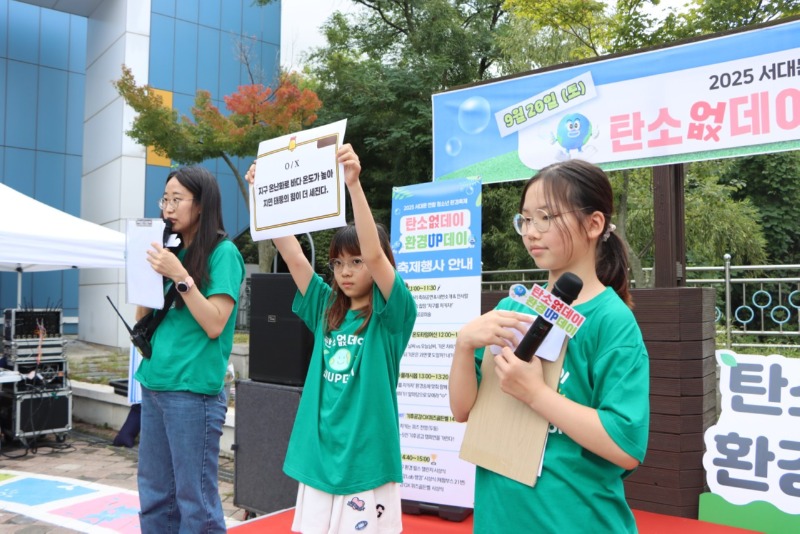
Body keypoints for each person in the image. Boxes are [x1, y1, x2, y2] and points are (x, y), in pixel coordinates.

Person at [449, 159, 649, 532]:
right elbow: (463, 411)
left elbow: (625, 446)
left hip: (576, 521)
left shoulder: (612, 321)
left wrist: (536, 394)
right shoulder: (511, 309)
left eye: (546, 217)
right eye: (525, 219)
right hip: (499, 519)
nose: (531, 232)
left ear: (594, 224)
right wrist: (462, 347)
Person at [245, 144, 416, 533]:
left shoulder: (392, 315)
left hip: (366, 459)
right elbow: (292, 254)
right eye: (338, 262)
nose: (346, 271)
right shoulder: (326, 307)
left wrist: (353, 185)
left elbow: (375, 255)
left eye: (355, 262)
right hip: (320, 456)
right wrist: (262, 195)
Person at [134, 166, 245, 533]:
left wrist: (180, 276)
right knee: (153, 497)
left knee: (194, 501)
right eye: (165, 199)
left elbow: (215, 323)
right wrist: (144, 273)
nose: (168, 207)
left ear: (201, 205)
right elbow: (143, 318)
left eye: (176, 199)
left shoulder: (222, 253)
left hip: (192, 390)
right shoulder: (170, 248)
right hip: (154, 382)